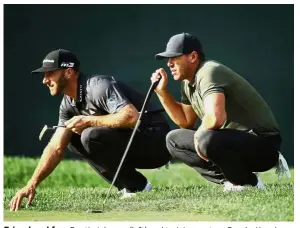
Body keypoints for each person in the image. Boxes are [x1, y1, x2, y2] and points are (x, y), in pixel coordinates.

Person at [10, 49, 171, 211]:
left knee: (89, 134)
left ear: (69, 72)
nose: (45, 80)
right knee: (72, 138)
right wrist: (31, 184)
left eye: (50, 73)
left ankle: (135, 187)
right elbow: (56, 147)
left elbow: (131, 117)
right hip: (133, 145)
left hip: (157, 144)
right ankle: (134, 186)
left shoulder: (98, 86)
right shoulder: (67, 104)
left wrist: (88, 120)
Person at [151, 32, 290, 191]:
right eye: (168, 60)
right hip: (231, 142)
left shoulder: (209, 71)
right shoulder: (187, 82)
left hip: (264, 146)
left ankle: (247, 182)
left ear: (193, 56)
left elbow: (216, 118)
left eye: (174, 57)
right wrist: (162, 92)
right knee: (173, 139)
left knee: (205, 138)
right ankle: (232, 180)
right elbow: (185, 121)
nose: (169, 64)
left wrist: (199, 135)